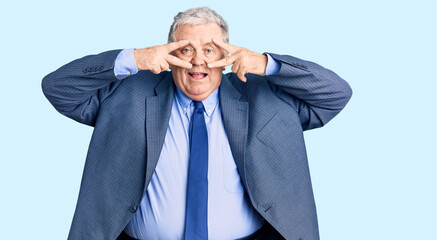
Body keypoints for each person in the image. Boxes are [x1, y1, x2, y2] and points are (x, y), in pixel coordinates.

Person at [42, 6, 352, 240]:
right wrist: (134, 59)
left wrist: (267, 64)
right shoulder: (128, 92)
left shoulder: (266, 95)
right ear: (166, 52)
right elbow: (57, 88)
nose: (198, 60)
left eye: (209, 50)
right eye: (185, 49)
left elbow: (336, 95)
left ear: (228, 55)